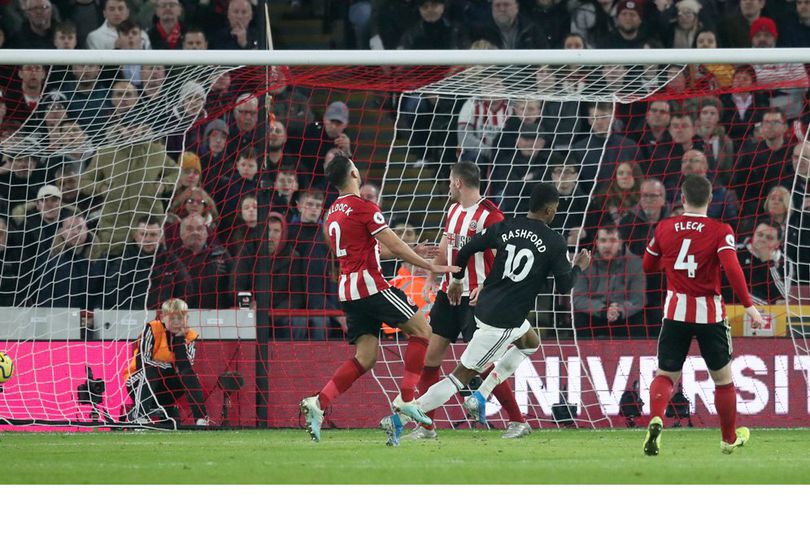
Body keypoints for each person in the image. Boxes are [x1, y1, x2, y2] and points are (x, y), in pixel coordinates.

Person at [387, 183, 591, 445]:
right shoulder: (554, 241)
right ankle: (401, 418)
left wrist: (458, 278)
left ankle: (484, 395)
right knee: (459, 377)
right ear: (550, 210)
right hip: (503, 320)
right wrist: (579, 268)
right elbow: (565, 286)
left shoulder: (506, 227)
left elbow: (467, 248)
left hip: (486, 308)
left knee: (530, 342)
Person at [299, 155, 459, 443]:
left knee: (365, 357)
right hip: (371, 286)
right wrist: (430, 265)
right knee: (423, 330)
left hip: (348, 291)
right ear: (354, 172)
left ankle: (319, 403)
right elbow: (393, 245)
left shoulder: (334, 211)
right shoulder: (363, 206)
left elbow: (369, 249)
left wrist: (414, 248)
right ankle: (407, 399)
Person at [406, 161, 530, 441]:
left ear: (459, 183)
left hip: (476, 300)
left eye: (451, 181)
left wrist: (486, 286)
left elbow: (507, 256)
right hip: (448, 294)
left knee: (482, 364)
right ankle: (426, 428)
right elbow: (446, 245)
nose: (449, 186)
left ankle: (518, 421)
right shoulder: (452, 210)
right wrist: (430, 277)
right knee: (431, 358)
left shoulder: (491, 215)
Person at [641, 174, 763, 456]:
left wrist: (671, 264)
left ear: (682, 199)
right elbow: (732, 268)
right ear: (709, 199)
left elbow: (648, 266)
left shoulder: (664, 227)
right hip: (709, 313)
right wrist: (748, 305)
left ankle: (657, 417)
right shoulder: (721, 230)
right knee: (722, 379)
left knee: (667, 374)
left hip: (675, 312)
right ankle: (728, 439)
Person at [123, 298, 209, 426]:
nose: (176, 322)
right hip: (139, 384)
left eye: (180, 318)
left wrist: (179, 339)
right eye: (172, 318)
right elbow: (143, 362)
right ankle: (140, 416)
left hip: (168, 389)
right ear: (163, 317)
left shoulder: (190, 336)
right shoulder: (152, 328)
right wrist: (167, 367)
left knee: (190, 375)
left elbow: (185, 366)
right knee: (151, 370)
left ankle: (201, 420)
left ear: (187, 318)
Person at [573, 226, 645, 338]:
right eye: (603, 240)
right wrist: (602, 309)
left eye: (612, 240)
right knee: (580, 317)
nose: (607, 246)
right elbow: (578, 298)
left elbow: (638, 298)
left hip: (622, 314)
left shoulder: (635, 263)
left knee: (639, 318)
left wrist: (620, 310)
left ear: (620, 243)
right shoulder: (584, 262)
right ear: (596, 243)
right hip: (595, 313)